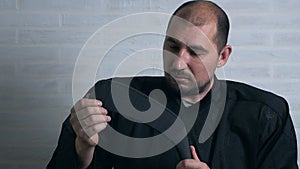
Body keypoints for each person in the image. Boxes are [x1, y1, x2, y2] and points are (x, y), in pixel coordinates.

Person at [47, 0, 298, 169]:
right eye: (172, 46)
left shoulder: (266, 116)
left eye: (195, 52)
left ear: (223, 56)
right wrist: (82, 150)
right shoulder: (109, 99)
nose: (178, 63)